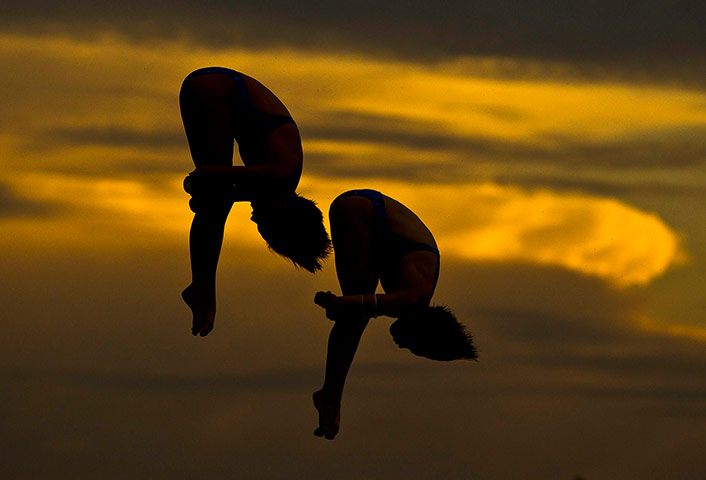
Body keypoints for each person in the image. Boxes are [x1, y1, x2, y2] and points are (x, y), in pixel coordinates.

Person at [312, 189, 477, 439]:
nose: (402, 347)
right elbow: (366, 303)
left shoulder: (415, 295)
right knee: (355, 318)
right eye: (413, 347)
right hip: (361, 211)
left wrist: (340, 305)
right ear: (424, 331)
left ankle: (331, 396)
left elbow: (365, 304)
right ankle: (331, 397)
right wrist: (336, 304)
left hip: (365, 209)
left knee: (355, 317)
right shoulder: (413, 299)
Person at [179, 67, 331, 337]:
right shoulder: (281, 173)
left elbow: (213, 189)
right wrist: (201, 188)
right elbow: (208, 176)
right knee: (215, 205)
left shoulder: (276, 186)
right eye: (264, 225)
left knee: (215, 205)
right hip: (215, 89)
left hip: (213, 89)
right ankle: (203, 290)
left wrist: (204, 192)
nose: (253, 219)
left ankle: (203, 288)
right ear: (284, 215)